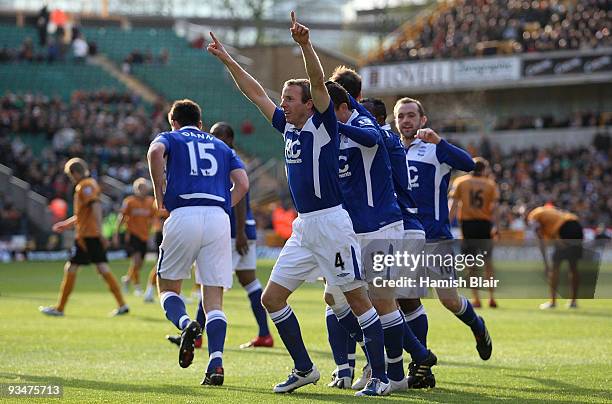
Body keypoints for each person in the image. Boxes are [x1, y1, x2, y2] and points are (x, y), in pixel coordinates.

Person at [207, 12, 391, 396]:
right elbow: (256, 92)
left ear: (310, 103)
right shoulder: (287, 125)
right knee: (273, 298)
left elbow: (317, 82)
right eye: (285, 98)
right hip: (305, 227)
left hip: (332, 224)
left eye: (290, 98)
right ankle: (305, 368)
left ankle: (381, 377)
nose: (283, 103)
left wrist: (305, 45)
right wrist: (226, 59)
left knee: (358, 300)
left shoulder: (322, 122)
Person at [325, 68, 436, 393]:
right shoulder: (358, 133)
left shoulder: (374, 133)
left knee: (392, 300)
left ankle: (400, 364)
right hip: (366, 225)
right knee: (344, 297)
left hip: (392, 223)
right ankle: (390, 361)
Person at [148, 99, 249, 386]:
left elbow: (155, 151)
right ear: (201, 123)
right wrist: (221, 205)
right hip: (218, 217)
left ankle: (184, 324)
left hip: (183, 213)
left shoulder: (170, 137)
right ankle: (216, 363)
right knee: (214, 298)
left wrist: (159, 195)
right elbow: (243, 183)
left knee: (167, 286)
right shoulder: (221, 146)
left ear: (174, 123)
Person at [393, 97, 493, 388]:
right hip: (403, 236)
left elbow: (468, 164)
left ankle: (478, 325)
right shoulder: (392, 149)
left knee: (448, 299)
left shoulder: (434, 150)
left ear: (423, 120)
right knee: (405, 298)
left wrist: (439, 141)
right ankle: (421, 366)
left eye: (412, 116)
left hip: (435, 237)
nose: (406, 121)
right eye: (401, 117)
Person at [39, 158, 129, 317]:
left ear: (75, 172)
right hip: (89, 234)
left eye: (70, 175)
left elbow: (95, 208)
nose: (71, 179)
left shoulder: (85, 186)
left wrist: (100, 232)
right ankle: (122, 304)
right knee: (101, 268)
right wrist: (66, 224)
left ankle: (60, 308)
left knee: (73, 268)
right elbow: (82, 213)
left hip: (87, 236)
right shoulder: (90, 184)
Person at [449, 157, 499, 308]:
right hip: (484, 225)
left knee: (470, 264)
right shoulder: (490, 184)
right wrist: (496, 227)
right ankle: (491, 297)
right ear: (484, 169)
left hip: (468, 225)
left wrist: (446, 224)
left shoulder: (461, 182)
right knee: (488, 263)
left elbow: (454, 205)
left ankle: (476, 298)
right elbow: (494, 208)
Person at [527, 205, 583, 309]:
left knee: (555, 267)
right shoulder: (550, 213)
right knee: (573, 267)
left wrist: (546, 264)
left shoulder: (533, 215)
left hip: (565, 229)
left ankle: (552, 302)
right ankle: (573, 302)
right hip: (576, 226)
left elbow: (540, 239)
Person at [113, 177, 156, 297]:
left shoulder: (150, 201)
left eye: (145, 188)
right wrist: (116, 233)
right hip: (133, 235)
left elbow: (153, 218)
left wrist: (153, 230)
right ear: (136, 189)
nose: (143, 190)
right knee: (136, 260)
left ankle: (127, 280)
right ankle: (137, 286)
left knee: (140, 263)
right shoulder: (129, 201)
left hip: (144, 236)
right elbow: (121, 217)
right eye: (141, 188)